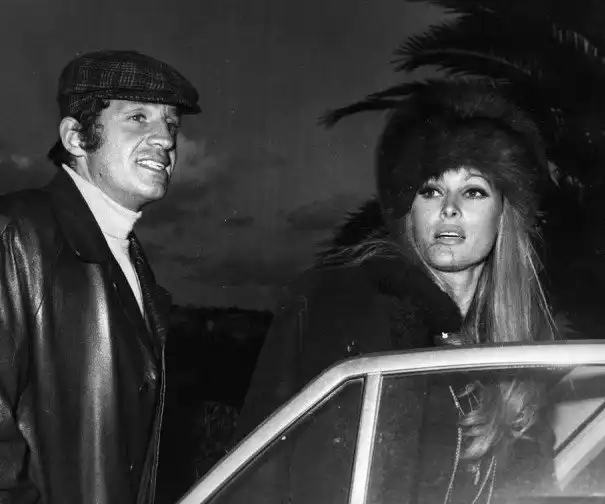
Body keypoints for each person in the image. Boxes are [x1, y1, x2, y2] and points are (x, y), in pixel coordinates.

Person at [233, 82, 558, 502]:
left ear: (504, 214)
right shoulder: (350, 310)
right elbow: (267, 478)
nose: (449, 207)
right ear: (410, 212)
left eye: (473, 191)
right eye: (431, 190)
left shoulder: (518, 344)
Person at [0, 50, 200, 503]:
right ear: (76, 137)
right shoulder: (17, 233)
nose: (165, 139)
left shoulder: (128, 257)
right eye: (137, 117)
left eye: (171, 124)